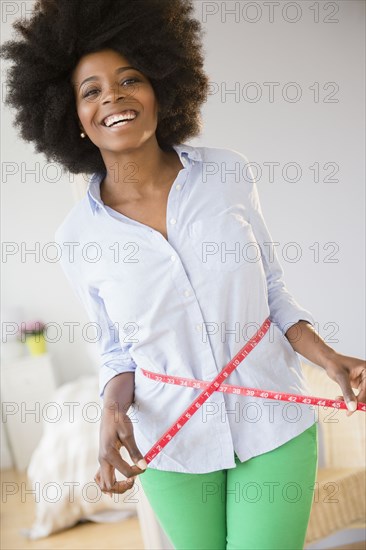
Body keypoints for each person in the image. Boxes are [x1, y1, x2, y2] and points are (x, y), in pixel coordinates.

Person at [1, 1, 365, 548]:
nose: (113, 98)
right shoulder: (78, 237)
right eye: (91, 90)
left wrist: (328, 357)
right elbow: (117, 351)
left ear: (162, 89)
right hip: (171, 440)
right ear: (69, 117)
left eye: (130, 80)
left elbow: (273, 294)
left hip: (273, 418)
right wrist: (109, 411)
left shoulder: (227, 174)